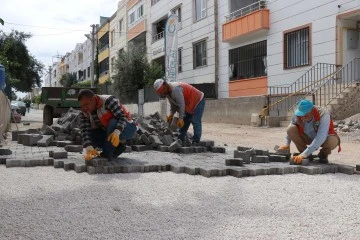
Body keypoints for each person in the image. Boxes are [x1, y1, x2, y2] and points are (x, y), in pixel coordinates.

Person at [77, 89, 137, 161]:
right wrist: (88, 147)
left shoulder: (108, 100)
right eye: (82, 105)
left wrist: (117, 132)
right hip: (109, 129)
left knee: (113, 122)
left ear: (93, 98)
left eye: (86, 104)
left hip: (128, 127)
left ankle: (107, 154)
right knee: (90, 137)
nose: (84, 108)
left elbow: (122, 117)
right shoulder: (84, 112)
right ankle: (118, 147)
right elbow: (85, 131)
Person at [277, 99, 341, 164]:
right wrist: (287, 144)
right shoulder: (298, 113)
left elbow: (321, 136)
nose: (302, 117)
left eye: (305, 115)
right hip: (307, 136)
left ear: (312, 111)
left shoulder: (323, 114)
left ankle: (322, 155)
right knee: (291, 129)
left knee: (333, 140)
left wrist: (305, 153)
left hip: (323, 140)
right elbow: (291, 126)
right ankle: (306, 155)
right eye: (301, 115)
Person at [153, 79, 205, 145]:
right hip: (189, 104)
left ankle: (196, 141)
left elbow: (181, 104)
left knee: (195, 120)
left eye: (163, 90)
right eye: (161, 92)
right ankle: (181, 138)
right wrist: (171, 115)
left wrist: (180, 118)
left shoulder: (175, 90)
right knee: (185, 121)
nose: (163, 92)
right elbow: (173, 105)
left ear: (165, 84)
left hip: (198, 99)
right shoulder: (167, 93)